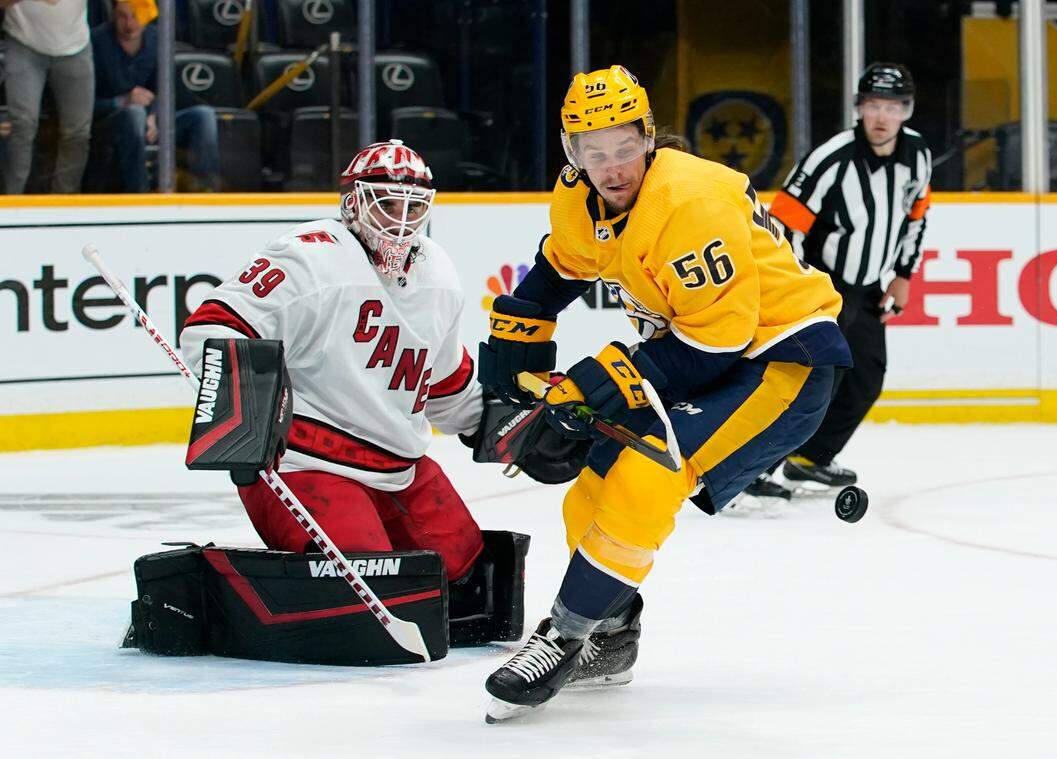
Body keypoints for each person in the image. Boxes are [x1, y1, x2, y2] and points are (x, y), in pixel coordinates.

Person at [477, 65, 852, 721]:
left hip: (782, 359)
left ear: (648, 138)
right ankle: (611, 637)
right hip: (714, 349)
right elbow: (560, 268)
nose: (613, 165)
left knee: (647, 473)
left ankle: (565, 635)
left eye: (625, 146)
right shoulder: (580, 196)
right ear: (573, 154)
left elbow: (719, 340)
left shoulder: (688, 201)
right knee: (589, 493)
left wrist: (613, 376)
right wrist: (520, 330)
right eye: (595, 152)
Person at [179, 140, 485, 586]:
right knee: (365, 576)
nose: (400, 222)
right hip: (303, 462)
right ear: (353, 202)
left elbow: (443, 382)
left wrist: (502, 425)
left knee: (460, 567)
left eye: (412, 207)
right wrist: (247, 412)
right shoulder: (310, 256)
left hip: (398, 466)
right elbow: (212, 330)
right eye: (386, 205)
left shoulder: (439, 274)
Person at [746, 62, 932, 499]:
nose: (881, 117)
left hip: (867, 287)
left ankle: (810, 458)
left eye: (892, 107)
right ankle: (749, 467)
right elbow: (781, 225)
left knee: (867, 377)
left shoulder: (918, 154)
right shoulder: (831, 158)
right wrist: (793, 286)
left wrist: (903, 275)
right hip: (820, 286)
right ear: (859, 109)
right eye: (872, 106)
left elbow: (916, 216)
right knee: (808, 381)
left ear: (907, 110)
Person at [90, 0, 219, 192]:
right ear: (113, 14)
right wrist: (122, 102)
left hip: (149, 123)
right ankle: (140, 194)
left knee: (204, 115)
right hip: (108, 126)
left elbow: (165, 90)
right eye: (122, 16)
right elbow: (83, 106)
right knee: (134, 114)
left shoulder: (157, 39)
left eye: (136, 16)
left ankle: (205, 193)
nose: (129, 24)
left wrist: (153, 115)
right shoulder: (97, 41)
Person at [1, 0, 93, 194]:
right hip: (23, 41)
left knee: (78, 132)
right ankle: (11, 202)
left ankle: (64, 205)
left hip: (75, 44)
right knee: (22, 125)